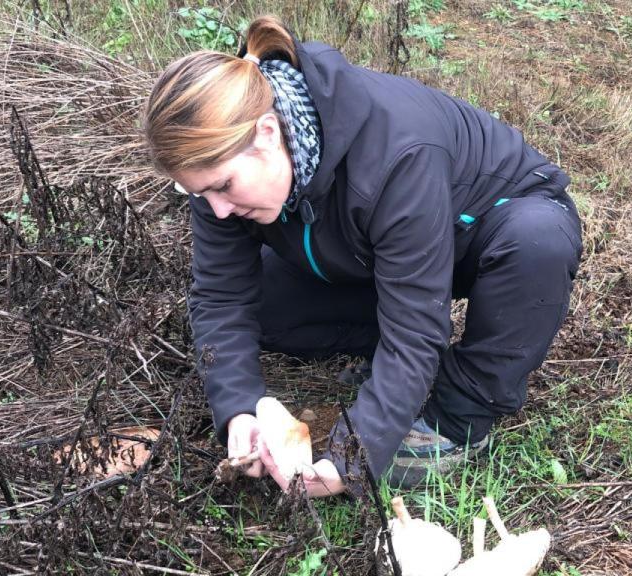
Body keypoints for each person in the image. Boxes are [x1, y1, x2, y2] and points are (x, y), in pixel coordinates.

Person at [142, 15, 582, 497]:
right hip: (366, 252)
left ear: (268, 133)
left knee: (538, 240)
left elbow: (416, 329)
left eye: (224, 187)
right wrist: (239, 408)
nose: (219, 209)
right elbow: (222, 297)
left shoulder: (397, 152)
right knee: (267, 310)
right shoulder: (219, 175)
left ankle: (459, 415)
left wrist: (353, 457)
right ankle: (381, 344)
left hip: (477, 234)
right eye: (201, 194)